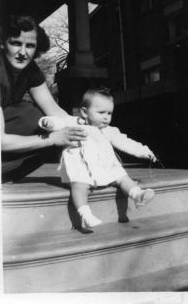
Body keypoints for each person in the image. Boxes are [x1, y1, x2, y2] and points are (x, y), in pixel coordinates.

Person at [39, 87, 158, 231]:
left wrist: (143, 151)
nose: (106, 117)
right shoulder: (74, 122)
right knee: (79, 185)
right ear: (84, 112)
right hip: (80, 166)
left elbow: (125, 142)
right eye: (101, 113)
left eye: (109, 113)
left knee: (122, 177)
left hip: (104, 166)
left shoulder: (109, 131)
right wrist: (48, 122)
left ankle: (137, 195)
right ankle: (86, 214)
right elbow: (59, 122)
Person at [0, 15, 87, 182]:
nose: (22, 53)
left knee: (43, 120)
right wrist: (53, 139)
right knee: (30, 117)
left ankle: (7, 176)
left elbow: (53, 110)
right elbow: (0, 141)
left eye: (30, 46)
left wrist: (85, 127)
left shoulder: (30, 70)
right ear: (3, 43)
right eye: (16, 43)